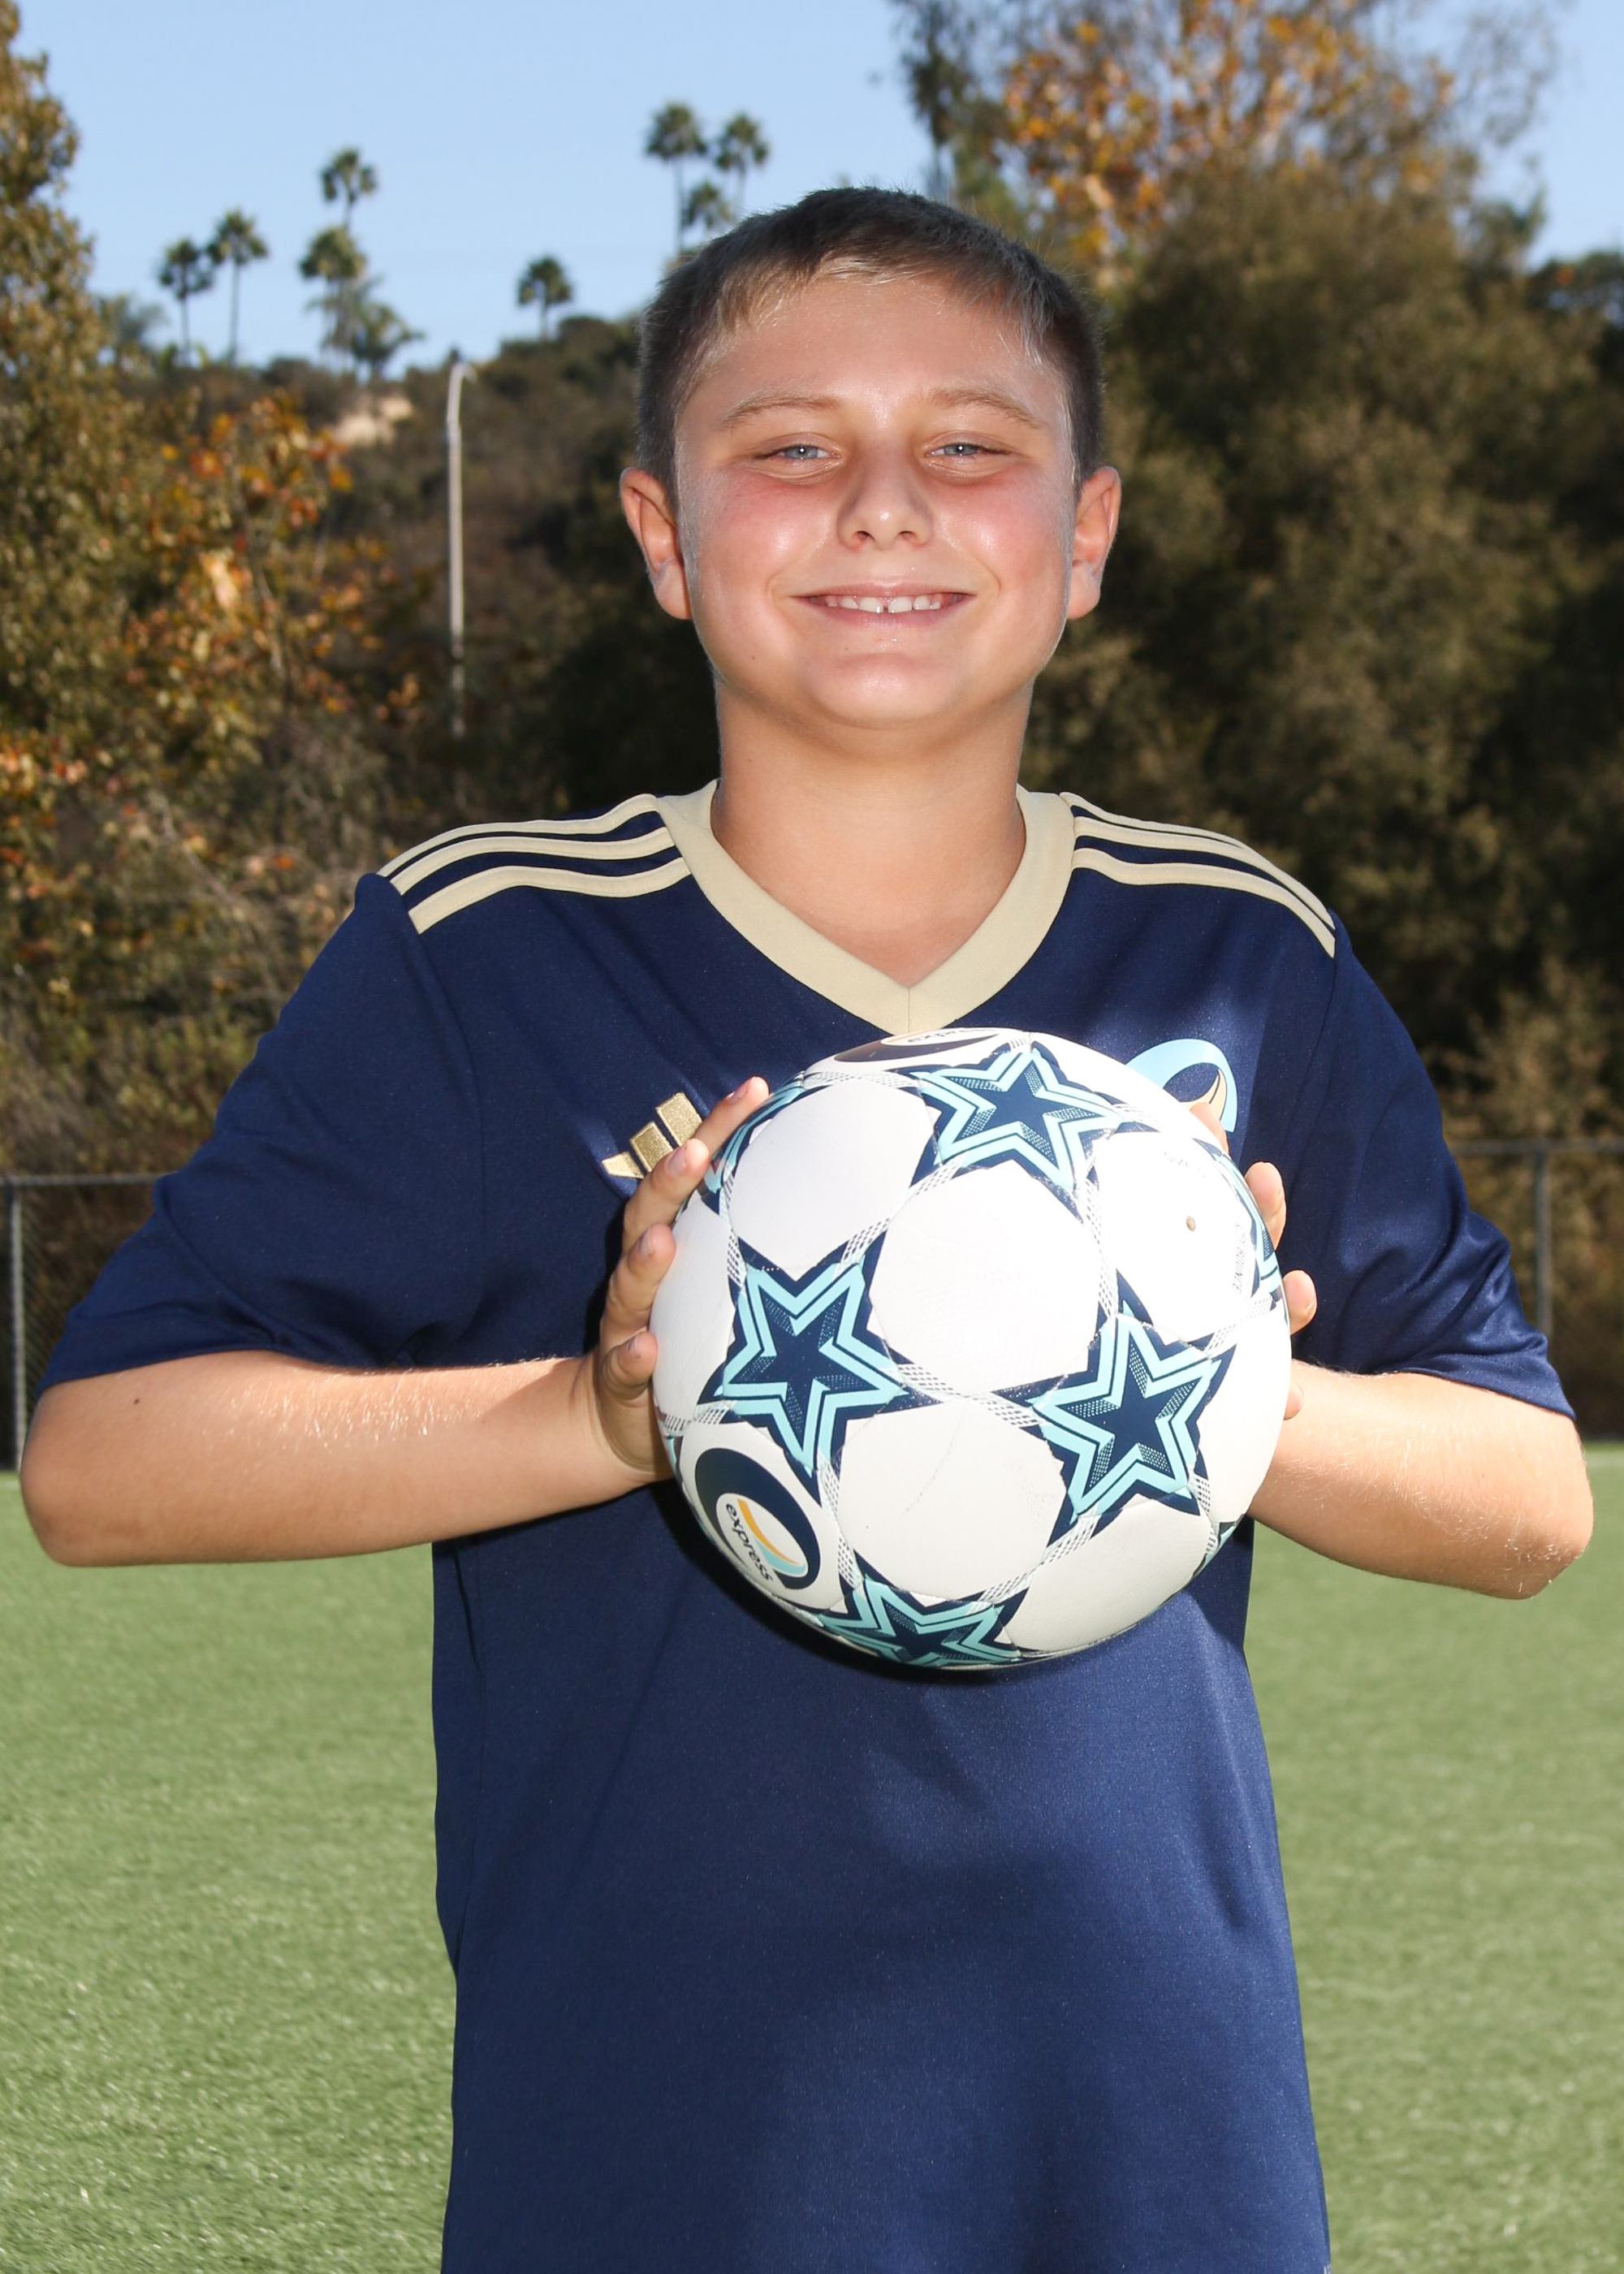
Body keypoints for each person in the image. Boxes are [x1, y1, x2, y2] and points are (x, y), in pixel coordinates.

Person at [21, 188, 1591, 2274]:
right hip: (660, 2153)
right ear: (662, 534)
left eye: (968, 443)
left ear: (1086, 536)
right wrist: (609, 1412)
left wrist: (1214, 1385)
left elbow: (1528, 1497)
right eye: (786, 445)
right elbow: (102, 1463)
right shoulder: (486, 953)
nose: (881, 503)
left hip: (1158, 2161)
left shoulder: (1235, 950)